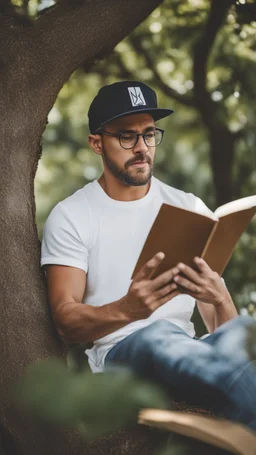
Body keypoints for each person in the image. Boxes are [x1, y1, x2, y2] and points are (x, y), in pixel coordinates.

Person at [41, 81, 256, 430]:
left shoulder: (189, 207)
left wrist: (220, 298)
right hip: (121, 356)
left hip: (188, 353)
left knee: (245, 330)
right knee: (157, 336)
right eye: (127, 136)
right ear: (97, 143)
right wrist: (130, 309)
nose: (142, 148)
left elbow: (224, 334)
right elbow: (65, 320)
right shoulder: (72, 216)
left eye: (149, 134)